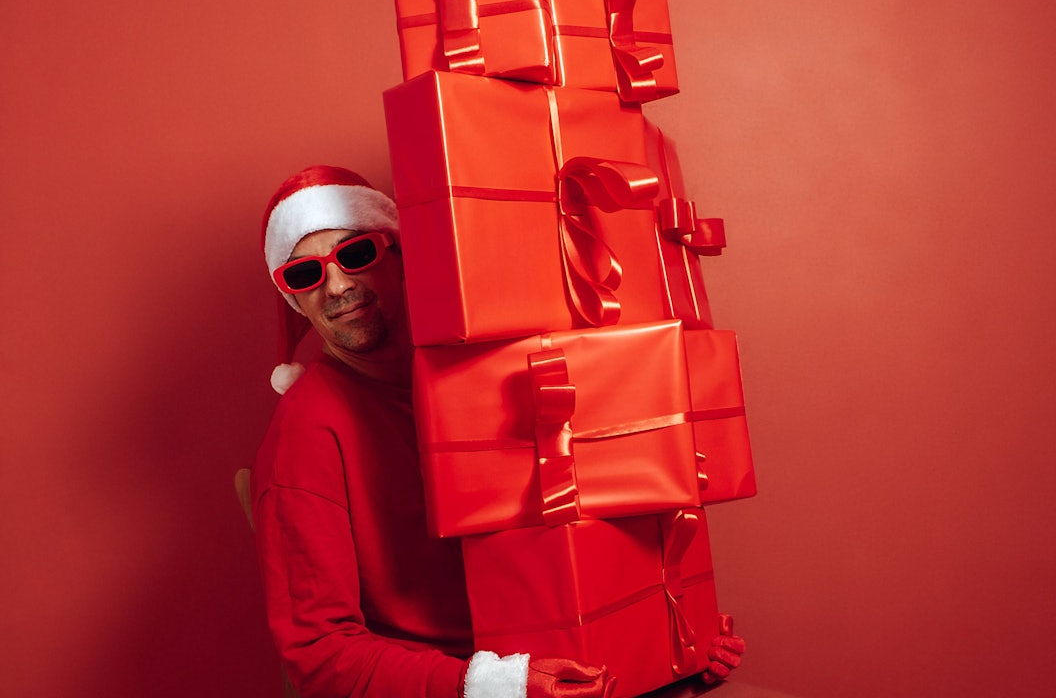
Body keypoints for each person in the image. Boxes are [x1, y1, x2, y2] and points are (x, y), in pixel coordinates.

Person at [251, 165, 745, 698]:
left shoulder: (495, 368)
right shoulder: (305, 434)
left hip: (566, 663)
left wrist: (673, 633)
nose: (339, 285)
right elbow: (320, 657)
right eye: (305, 275)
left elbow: (593, 518)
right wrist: (496, 686)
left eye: (356, 254)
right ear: (293, 300)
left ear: (398, 254)